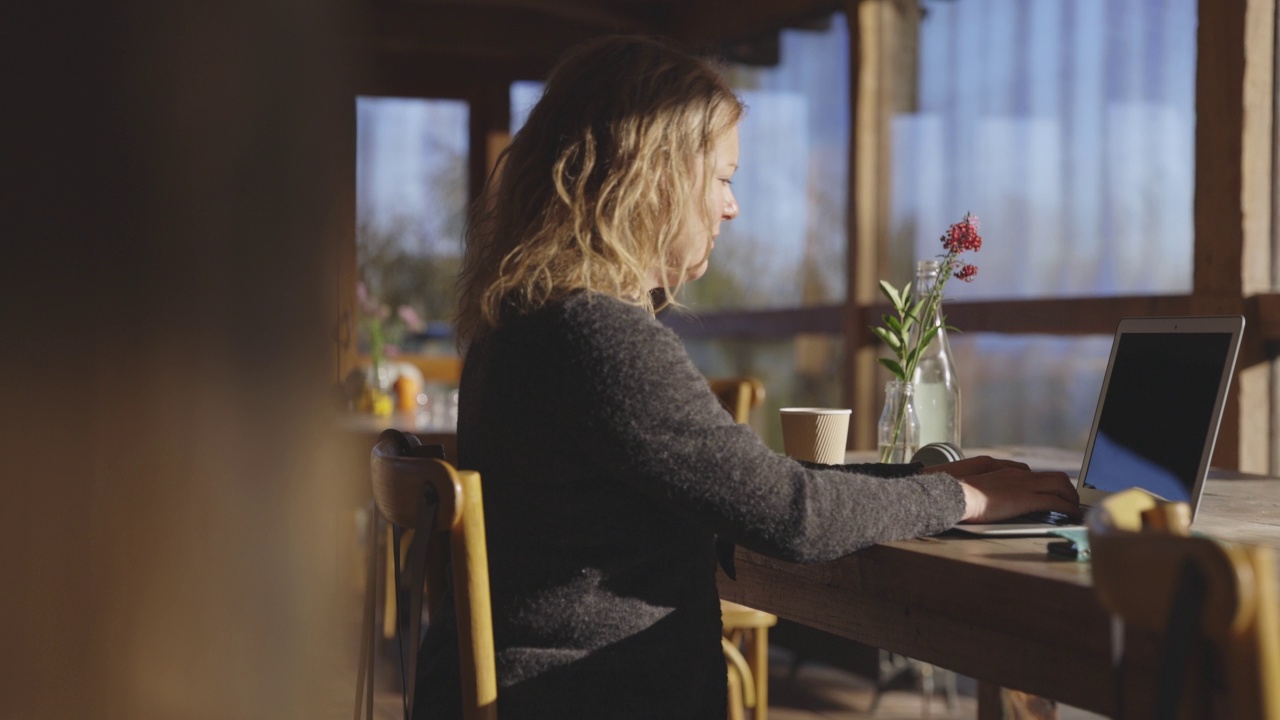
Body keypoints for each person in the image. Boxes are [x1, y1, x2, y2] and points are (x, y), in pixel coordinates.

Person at [416, 34, 1079, 719]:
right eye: (724, 178)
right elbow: (794, 516)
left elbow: (757, 487)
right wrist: (960, 501)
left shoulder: (523, 323)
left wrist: (931, 481)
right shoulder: (596, 336)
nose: (731, 208)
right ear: (655, 175)